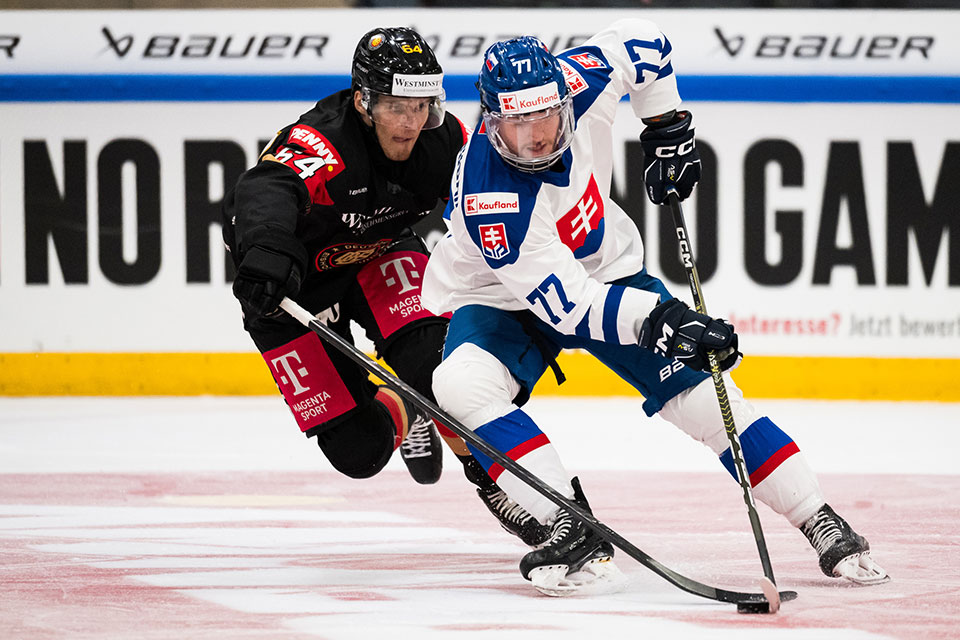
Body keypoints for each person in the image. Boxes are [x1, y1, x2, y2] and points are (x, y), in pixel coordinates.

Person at [421, 21, 889, 595]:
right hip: (504, 298)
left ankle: (820, 518)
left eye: (547, 116)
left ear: (565, 98)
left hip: (607, 270)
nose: (538, 135)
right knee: (461, 386)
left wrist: (666, 123)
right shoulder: (493, 201)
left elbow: (642, 41)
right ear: (491, 124)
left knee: (703, 398)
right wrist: (662, 321)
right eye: (518, 122)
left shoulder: (583, 78)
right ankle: (564, 518)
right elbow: (570, 308)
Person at [222, 27, 551, 546]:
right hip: (292, 289)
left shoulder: (444, 143)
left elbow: (490, 200)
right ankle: (402, 405)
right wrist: (264, 252)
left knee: (445, 378)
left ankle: (493, 479)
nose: (411, 122)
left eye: (421, 105)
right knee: (360, 453)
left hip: (379, 255)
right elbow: (265, 188)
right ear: (363, 100)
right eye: (397, 106)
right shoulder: (323, 143)